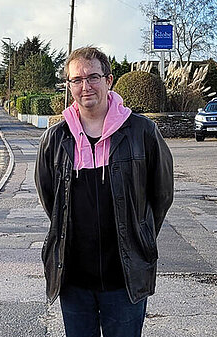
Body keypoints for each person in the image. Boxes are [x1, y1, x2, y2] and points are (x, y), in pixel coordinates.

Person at [35, 46, 174, 337]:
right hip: (72, 278)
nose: (85, 86)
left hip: (124, 277)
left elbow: (161, 195)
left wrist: (141, 235)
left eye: (93, 77)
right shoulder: (56, 138)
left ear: (109, 80)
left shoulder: (142, 131)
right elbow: (50, 196)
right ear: (69, 85)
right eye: (76, 80)